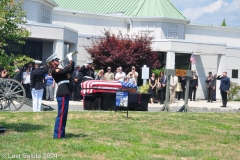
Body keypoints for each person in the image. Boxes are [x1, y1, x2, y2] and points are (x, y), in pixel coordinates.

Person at [46, 53, 74, 139]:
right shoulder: (54, 70)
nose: (58, 61)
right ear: (52, 63)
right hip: (62, 93)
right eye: (56, 60)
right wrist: (70, 60)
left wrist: (71, 61)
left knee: (64, 115)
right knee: (61, 114)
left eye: (58, 60)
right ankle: (57, 135)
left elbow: (70, 69)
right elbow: (68, 69)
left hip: (65, 92)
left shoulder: (59, 69)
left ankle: (61, 134)